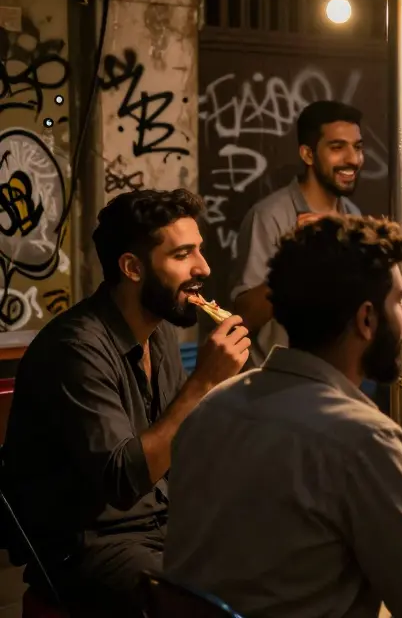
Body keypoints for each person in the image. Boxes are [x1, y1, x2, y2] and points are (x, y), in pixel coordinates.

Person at [165, 215, 402, 617]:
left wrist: (394, 487)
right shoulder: (363, 438)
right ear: (366, 319)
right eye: (399, 300)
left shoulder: (212, 408)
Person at [0, 189, 249, 616]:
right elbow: (122, 481)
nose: (203, 268)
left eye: (200, 251)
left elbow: (180, 445)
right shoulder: (75, 349)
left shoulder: (160, 331)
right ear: (132, 268)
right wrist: (203, 381)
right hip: (91, 548)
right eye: (182, 254)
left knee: (281, 560)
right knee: (208, 604)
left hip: (164, 525)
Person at [230, 100, 365, 367]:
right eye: (337, 147)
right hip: (276, 387)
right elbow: (241, 318)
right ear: (308, 154)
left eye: (357, 147)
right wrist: (297, 259)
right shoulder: (269, 216)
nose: (353, 159)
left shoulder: (354, 216)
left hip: (336, 381)